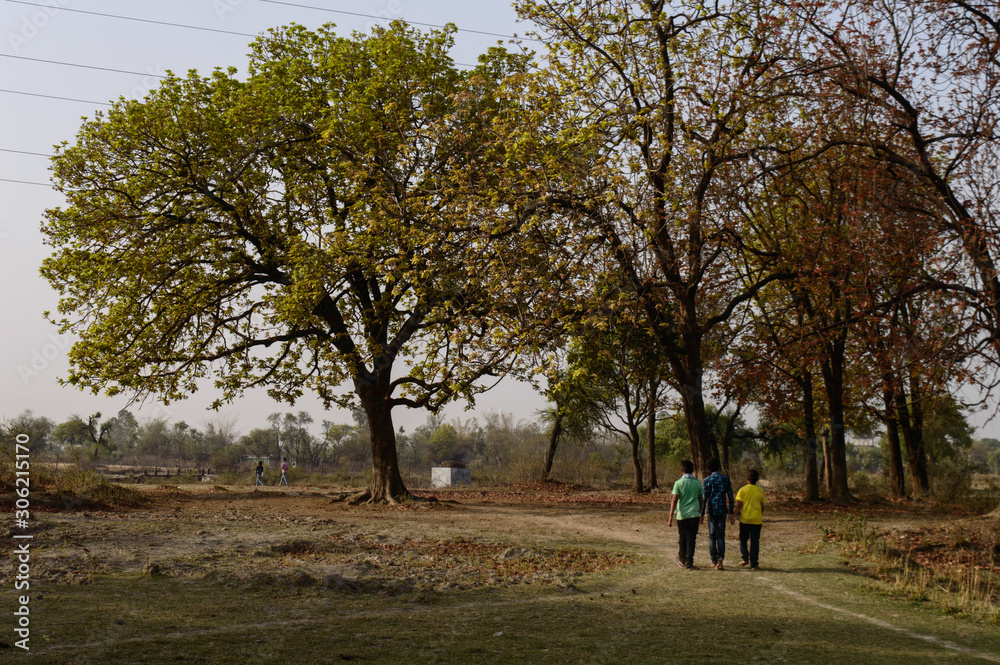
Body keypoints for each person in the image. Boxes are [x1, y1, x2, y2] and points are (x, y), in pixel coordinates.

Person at [667, 460, 703, 571]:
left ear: (682, 470)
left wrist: (670, 517)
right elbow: (701, 499)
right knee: (691, 538)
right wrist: (700, 512)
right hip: (694, 514)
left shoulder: (678, 483)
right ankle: (689, 563)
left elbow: (674, 500)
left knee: (682, 538)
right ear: (692, 470)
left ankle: (681, 559)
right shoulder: (697, 483)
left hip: (682, 515)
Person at [701, 457, 734, 570]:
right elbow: (730, 496)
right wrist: (731, 512)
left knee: (712, 536)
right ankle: (721, 558)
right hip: (722, 510)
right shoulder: (725, 479)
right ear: (719, 466)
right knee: (721, 536)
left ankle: (713, 560)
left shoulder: (706, 480)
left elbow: (704, 498)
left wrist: (701, 513)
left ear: (708, 469)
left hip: (711, 511)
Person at [732, 468, 766, 570]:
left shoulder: (742, 490)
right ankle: (754, 564)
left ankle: (745, 557)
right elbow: (762, 505)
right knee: (755, 542)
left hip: (744, 520)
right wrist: (760, 514)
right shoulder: (760, 490)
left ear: (747, 479)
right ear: (757, 480)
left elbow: (738, 505)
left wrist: (734, 515)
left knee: (743, 539)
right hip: (756, 520)